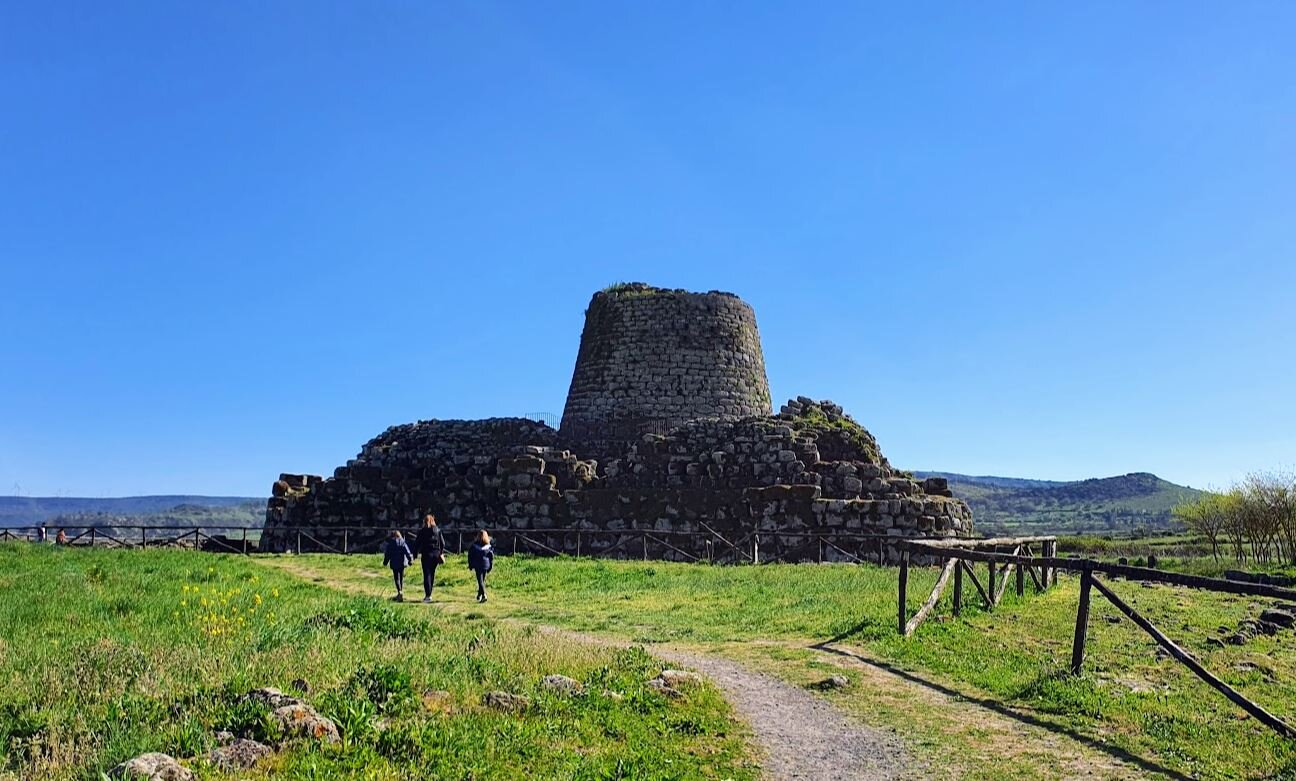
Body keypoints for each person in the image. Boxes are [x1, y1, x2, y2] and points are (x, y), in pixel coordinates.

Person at [412, 514, 446, 603]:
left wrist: (415, 554)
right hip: (436, 554)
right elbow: (443, 543)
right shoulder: (438, 530)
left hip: (426, 554)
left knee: (427, 574)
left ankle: (428, 595)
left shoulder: (422, 531)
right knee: (432, 573)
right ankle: (430, 593)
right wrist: (440, 552)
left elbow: (417, 543)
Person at [381, 530, 413, 602]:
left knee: (396, 578)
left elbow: (387, 554)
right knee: (401, 578)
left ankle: (399, 591)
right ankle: (400, 591)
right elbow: (407, 551)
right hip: (402, 562)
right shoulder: (402, 542)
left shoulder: (391, 544)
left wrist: (385, 562)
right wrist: (410, 560)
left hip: (394, 563)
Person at [467, 530, 494, 603]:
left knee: (480, 581)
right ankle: (479, 595)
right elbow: (491, 557)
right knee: (482, 581)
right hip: (486, 565)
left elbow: (470, 556)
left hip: (478, 565)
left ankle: (484, 595)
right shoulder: (489, 547)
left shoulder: (474, 546)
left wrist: (470, 565)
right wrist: (490, 566)